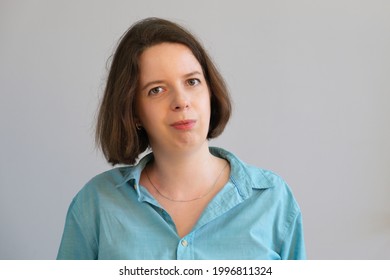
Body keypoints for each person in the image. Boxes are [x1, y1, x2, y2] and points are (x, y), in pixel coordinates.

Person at [57, 17, 306, 260]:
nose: (181, 101)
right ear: (133, 112)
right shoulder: (96, 204)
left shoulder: (272, 199)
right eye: (156, 90)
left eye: (192, 81)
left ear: (210, 92)